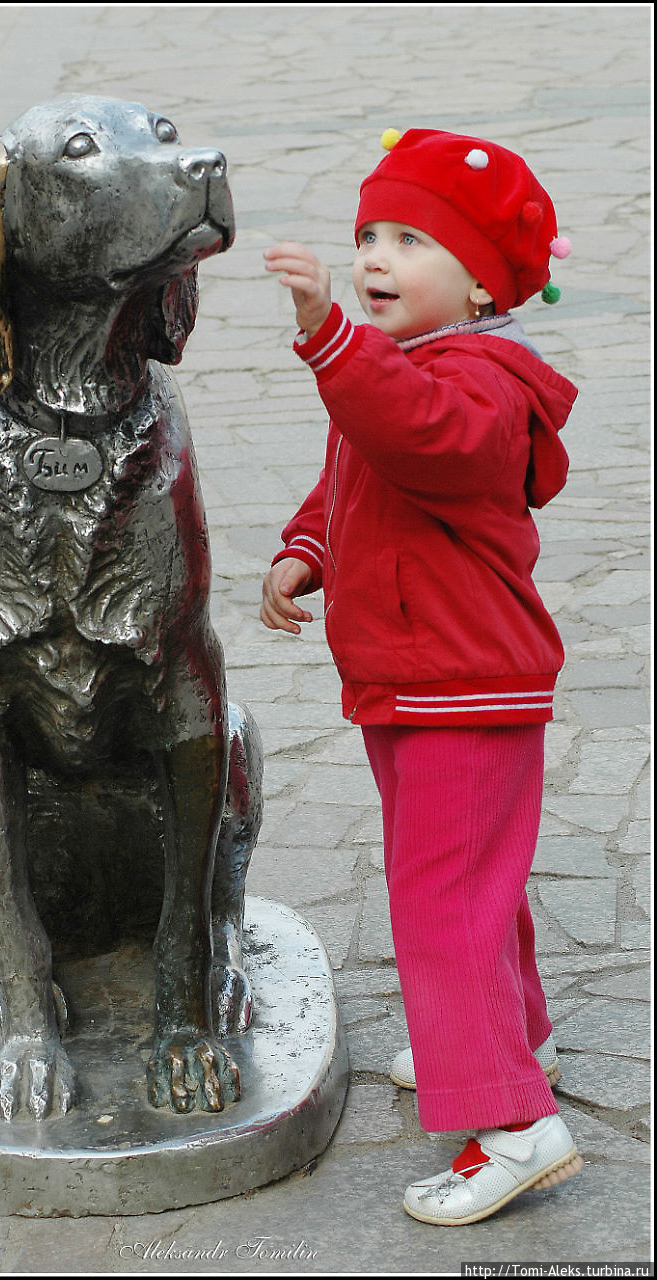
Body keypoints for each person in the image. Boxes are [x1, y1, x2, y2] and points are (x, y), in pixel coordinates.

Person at [261, 128, 583, 1226]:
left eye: (411, 239)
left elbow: (423, 439)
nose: (375, 258)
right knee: (474, 885)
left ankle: (512, 1120)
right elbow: (356, 461)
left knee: (440, 899)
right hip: (414, 676)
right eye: (368, 236)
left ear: (484, 279)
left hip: (463, 683)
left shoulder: (480, 380)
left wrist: (328, 336)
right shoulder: (400, 373)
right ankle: (514, 1033)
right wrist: (308, 546)